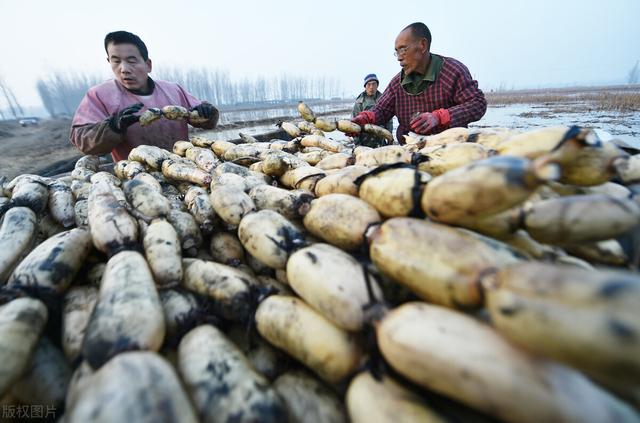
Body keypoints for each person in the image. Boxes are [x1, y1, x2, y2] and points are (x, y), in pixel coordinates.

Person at [70, 30, 218, 162]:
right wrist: (113, 126)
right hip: (137, 177)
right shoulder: (100, 95)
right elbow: (82, 139)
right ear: (109, 61)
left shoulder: (173, 90)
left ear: (148, 65)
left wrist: (207, 112)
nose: (124, 69)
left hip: (184, 167)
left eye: (131, 60)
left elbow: (206, 120)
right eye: (116, 61)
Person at [351, 22, 486, 144]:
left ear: (422, 45)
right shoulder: (397, 84)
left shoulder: (453, 71)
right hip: (411, 152)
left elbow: (477, 103)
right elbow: (381, 109)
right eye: (396, 52)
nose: (399, 58)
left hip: (449, 149)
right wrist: (365, 118)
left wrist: (439, 117)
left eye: (403, 49)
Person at [351, 73, 394, 147]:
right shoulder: (359, 102)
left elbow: (389, 121)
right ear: (365, 86)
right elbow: (354, 125)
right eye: (369, 84)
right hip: (364, 140)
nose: (371, 87)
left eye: (374, 84)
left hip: (380, 138)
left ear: (377, 85)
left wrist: (389, 138)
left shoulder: (383, 99)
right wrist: (357, 144)